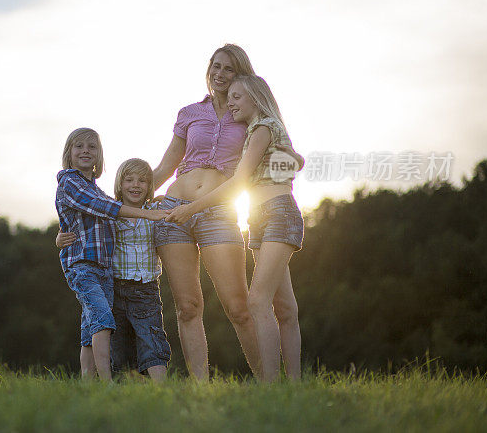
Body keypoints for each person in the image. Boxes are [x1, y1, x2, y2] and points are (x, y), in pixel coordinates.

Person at [165, 74, 303, 382]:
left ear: (255, 97)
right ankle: (291, 386)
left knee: (256, 301)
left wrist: (191, 208)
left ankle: (271, 385)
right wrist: (291, 161)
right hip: (260, 216)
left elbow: (239, 182)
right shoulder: (259, 130)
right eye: (230, 98)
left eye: (237, 97)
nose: (231, 103)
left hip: (277, 213)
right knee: (285, 307)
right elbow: (292, 162)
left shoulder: (262, 127)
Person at [151, 44, 262, 379]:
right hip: (173, 211)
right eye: (216, 66)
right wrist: (130, 199)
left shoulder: (250, 113)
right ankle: (201, 389)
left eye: (228, 69)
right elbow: (168, 163)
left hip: (218, 213)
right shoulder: (189, 113)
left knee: (238, 308)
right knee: (187, 308)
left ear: (241, 74)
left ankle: (270, 381)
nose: (220, 74)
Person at [55, 128, 168, 380]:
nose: (86, 151)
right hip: (83, 266)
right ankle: (106, 382)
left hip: (103, 269)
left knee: (90, 327)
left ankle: (87, 383)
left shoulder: (93, 188)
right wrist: (147, 213)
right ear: (69, 153)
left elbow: (102, 208)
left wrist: (153, 204)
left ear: (99, 155)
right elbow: (104, 207)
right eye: (79, 146)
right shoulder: (70, 182)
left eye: (92, 147)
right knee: (104, 320)